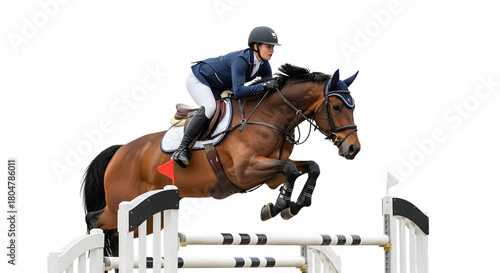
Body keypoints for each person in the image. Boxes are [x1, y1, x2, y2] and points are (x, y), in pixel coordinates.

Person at [172, 26, 281, 168]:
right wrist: (263, 86)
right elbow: (239, 91)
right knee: (210, 107)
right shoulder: (241, 60)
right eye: (268, 47)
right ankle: (182, 148)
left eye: (273, 47)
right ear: (256, 46)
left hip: (218, 86)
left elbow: (267, 91)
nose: (272, 51)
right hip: (199, 79)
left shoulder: (264, 65)